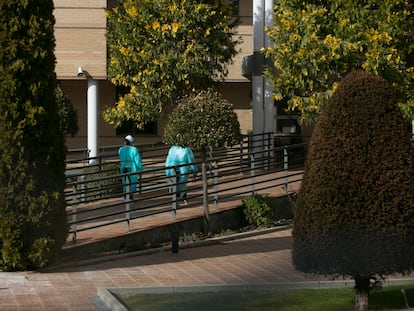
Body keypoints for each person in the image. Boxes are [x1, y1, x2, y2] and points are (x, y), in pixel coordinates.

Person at [118, 135, 143, 200]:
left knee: (124, 180)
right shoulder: (134, 149)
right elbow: (137, 160)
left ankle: (125, 195)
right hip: (132, 166)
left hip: (123, 165)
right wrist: (140, 168)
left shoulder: (120, 149)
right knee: (132, 181)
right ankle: (130, 196)